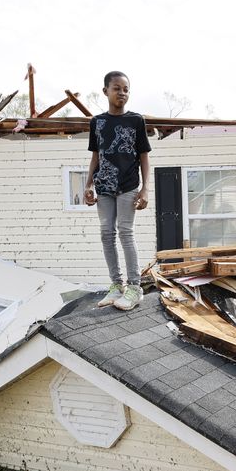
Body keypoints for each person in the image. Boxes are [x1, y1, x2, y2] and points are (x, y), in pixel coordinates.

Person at [84, 71, 152, 310]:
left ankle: (135, 287)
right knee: (106, 233)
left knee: (125, 231)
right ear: (106, 91)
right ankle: (116, 285)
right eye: (117, 88)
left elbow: (144, 155)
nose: (122, 93)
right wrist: (88, 184)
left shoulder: (136, 120)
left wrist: (145, 189)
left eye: (126, 89)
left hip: (128, 185)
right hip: (103, 186)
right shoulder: (97, 122)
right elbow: (96, 155)